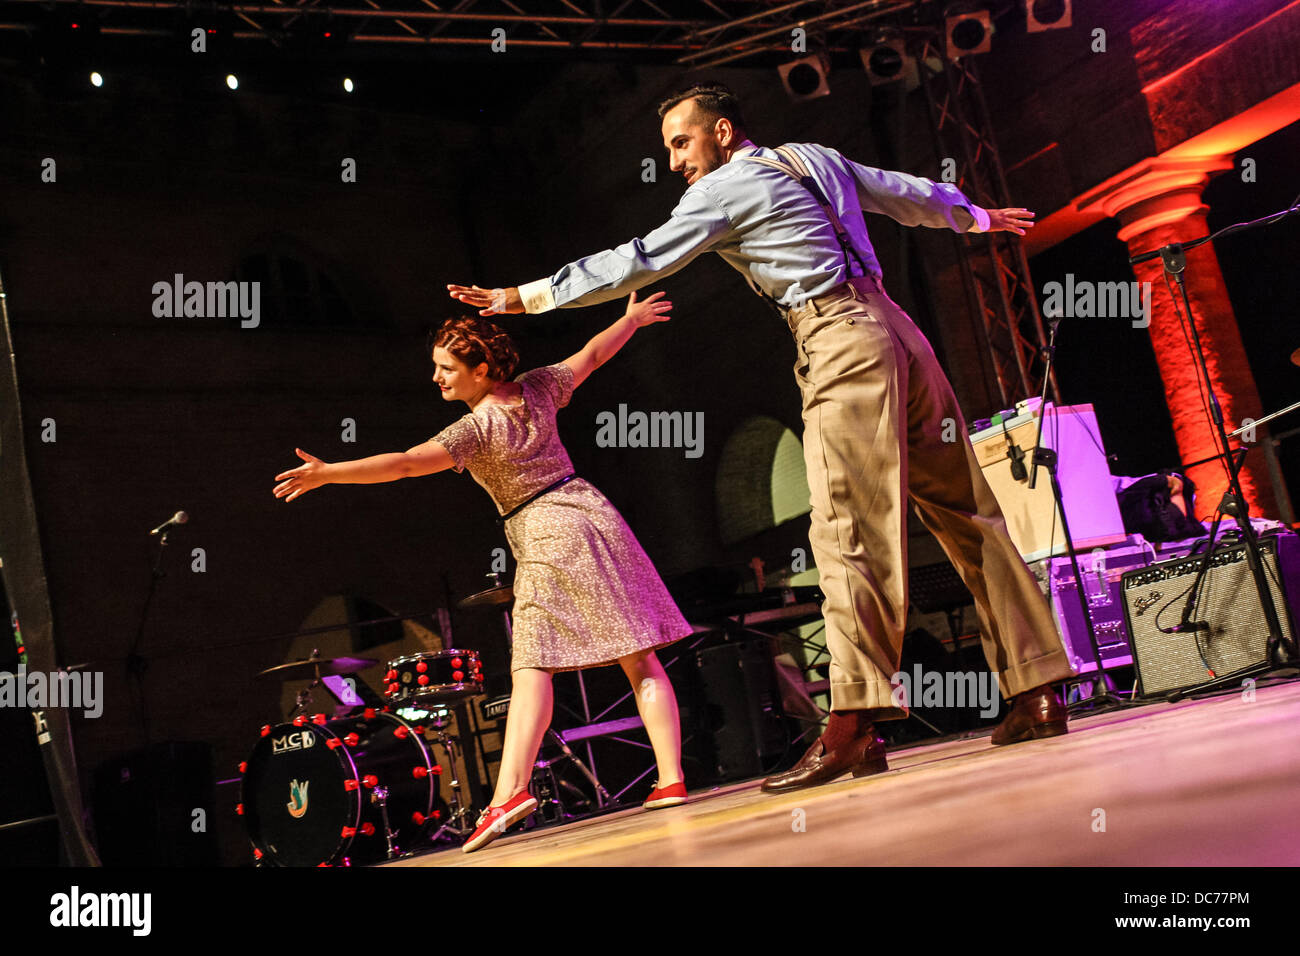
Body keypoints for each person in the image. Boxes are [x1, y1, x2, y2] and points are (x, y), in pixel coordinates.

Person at [447, 81, 1076, 796]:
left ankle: (855, 723)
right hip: (900, 334)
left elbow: (638, 260)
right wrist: (971, 216)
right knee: (969, 512)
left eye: (681, 143)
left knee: (844, 530)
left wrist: (523, 297)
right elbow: (901, 192)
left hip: (839, 340)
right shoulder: (813, 158)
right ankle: (1039, 691)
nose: (676, 162)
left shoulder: (723, 189)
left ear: (720, 132)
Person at [272, 292, 694, 853]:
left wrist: (330, 473)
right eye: (436, 367)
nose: (437, 378)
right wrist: (630, 320)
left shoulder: (477, 429)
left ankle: (511, 792)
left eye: (447, 369)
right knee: (637, 655)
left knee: (532, 663)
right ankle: (671, 780)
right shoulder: (540, 388)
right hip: (592, 514)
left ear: (481, 370)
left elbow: (403, 464)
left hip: (548, 530)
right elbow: (591, 355)